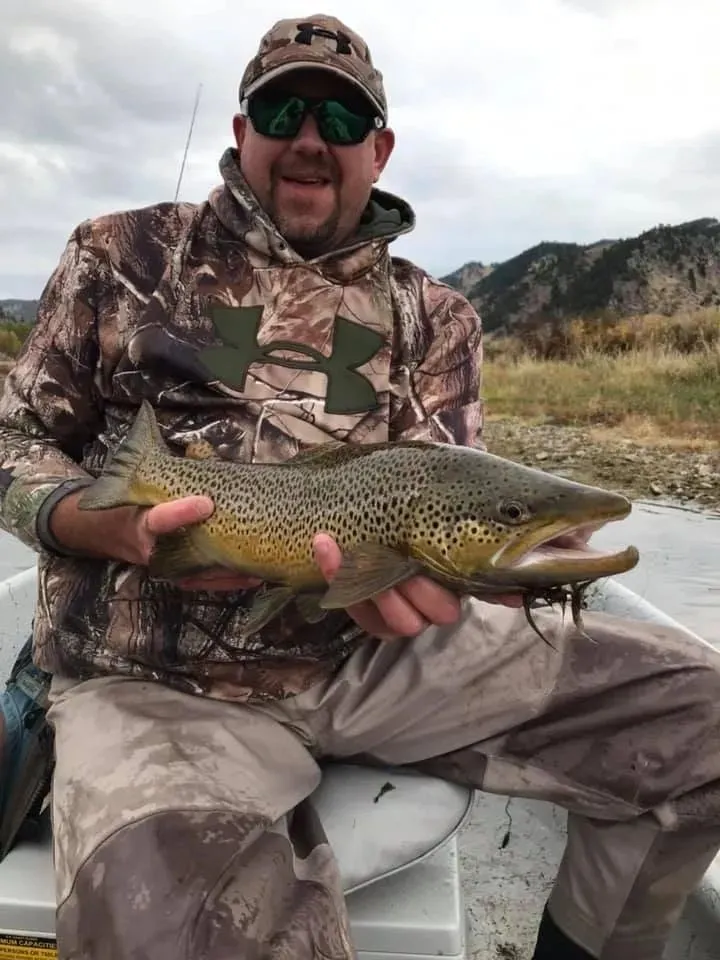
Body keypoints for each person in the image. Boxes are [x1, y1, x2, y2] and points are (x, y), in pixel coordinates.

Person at [0, 13, 718, 960]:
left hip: (373, 655)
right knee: (175, 932)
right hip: (152, 680)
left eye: (341, 121)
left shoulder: (438, 318)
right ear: (240, 129)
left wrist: (463, 581)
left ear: (378, 150)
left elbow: (457, 519)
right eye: (282, 109)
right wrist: (95, 525)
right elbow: (14, 442)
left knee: (703, 727)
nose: (309, 137)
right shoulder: (119, 257)